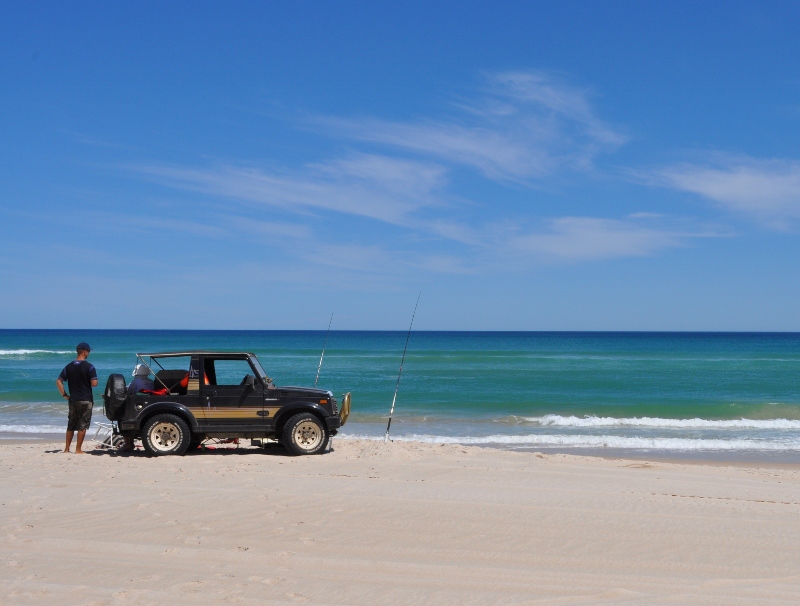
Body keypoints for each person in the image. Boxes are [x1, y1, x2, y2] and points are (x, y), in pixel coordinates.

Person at [55, 342, 98, 454]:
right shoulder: (89, 367)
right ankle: (78, 449)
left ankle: (66, 449)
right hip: (85, 398)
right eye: (88, 351)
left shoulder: (68, 367)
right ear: (84, 351)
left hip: (73, 399)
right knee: (82, 425)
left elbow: (58, 381)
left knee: (71, 424)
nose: (88, 353)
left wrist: (64, 395)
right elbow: (94, 383)